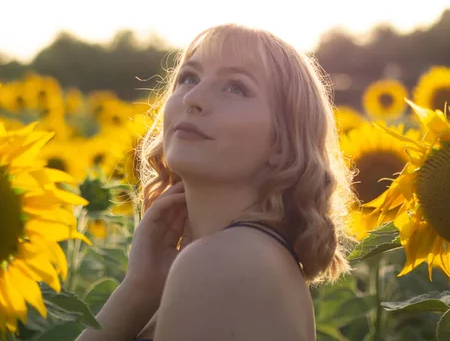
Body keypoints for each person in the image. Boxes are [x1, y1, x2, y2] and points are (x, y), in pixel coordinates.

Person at [76, 23, 357, 341]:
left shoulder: (222, 262)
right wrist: (140, 287)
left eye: (236, 87)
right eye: (188, 78)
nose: (192, 98)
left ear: (282, 143)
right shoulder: (250, 256)